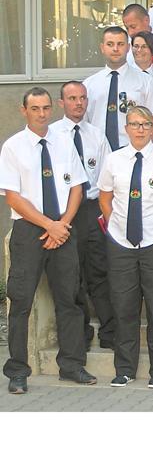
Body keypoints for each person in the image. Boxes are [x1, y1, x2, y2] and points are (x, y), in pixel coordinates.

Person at [1, 87, 92, 394]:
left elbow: (77, 187)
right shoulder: (13, 147)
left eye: (45, 108)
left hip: (63, 227)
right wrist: (48, 226)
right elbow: (13, 197)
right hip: (30, 229)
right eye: (35, 108)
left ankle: (71, 365)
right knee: (21, 302)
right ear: (23, 111)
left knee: (69, 299)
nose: (41, 114)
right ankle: (17, 371)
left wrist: (61, 225)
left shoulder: (64, 142)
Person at [98, 105, 153, 388]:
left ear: (152, 129)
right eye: (134, 124)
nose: (140, 129)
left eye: (145, 124)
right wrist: (117, 227)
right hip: (121, 243)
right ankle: (124, 368)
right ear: (126, 128)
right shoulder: (113, 160)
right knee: (124, 306)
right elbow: (105, 198)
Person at [53, 81, 115, 351]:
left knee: (99, 270)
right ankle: (80, 332)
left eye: (82, 98)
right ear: (61, 103)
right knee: (71, 273)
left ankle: (110, 331)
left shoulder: (96, 135)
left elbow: (107, 176)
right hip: (65, 211)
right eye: (72, 98)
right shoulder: (52, 135)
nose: (78, 103)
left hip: (91, 208)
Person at [82, 26, 153, 151]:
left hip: (134, 151)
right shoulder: (89, 85)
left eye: (120, 44)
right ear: (102, 48)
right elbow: (84, 123)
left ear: (128, 48)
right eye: (110, 44)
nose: (115, 49)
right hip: (97, 151)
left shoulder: (146, 82)